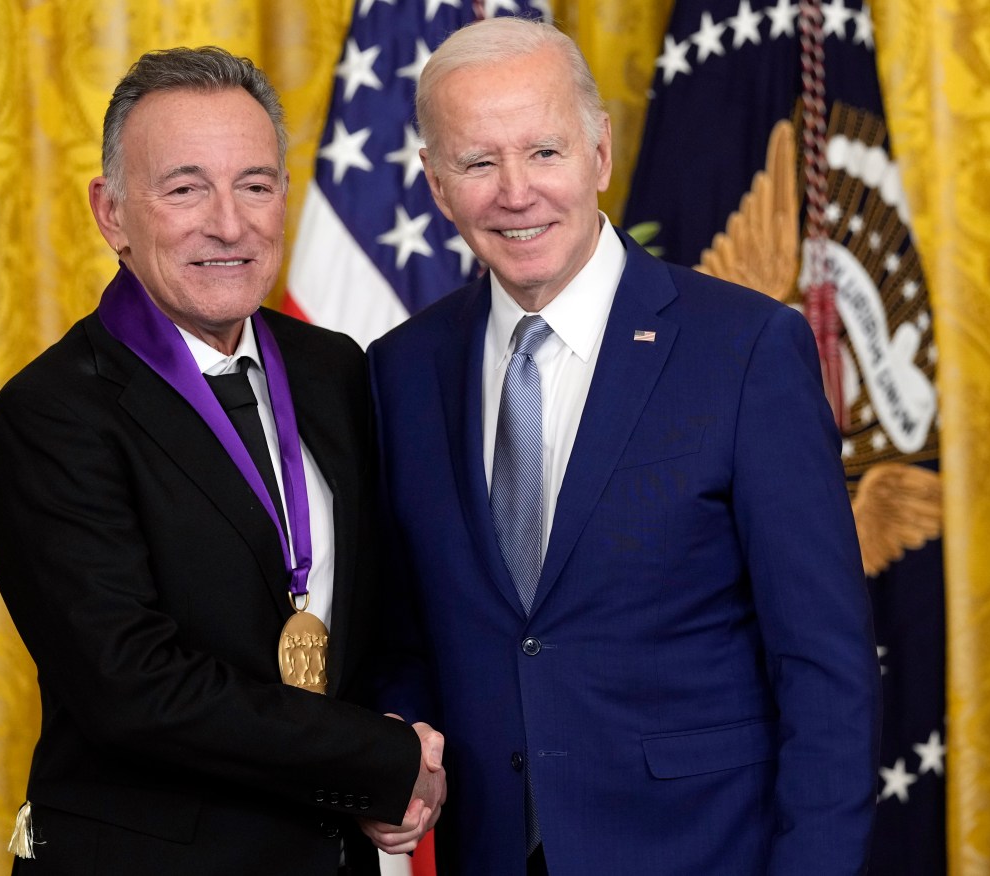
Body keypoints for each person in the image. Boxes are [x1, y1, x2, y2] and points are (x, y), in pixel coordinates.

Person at [367, 17, 881, 876]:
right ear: (435, 183)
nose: (514, 192)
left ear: (599, 155)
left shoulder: (746, 351)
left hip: (704, 851)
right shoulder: (401, 371)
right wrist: (390, 759)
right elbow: (408, 639)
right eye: (477, 162)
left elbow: (823, 667)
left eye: (543, 152)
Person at [0, 46, 444, 875]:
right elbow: (133, 688)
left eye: (256, 184)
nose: (229, 224)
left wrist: (402, 743)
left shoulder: (334, 368)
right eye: (186, 187)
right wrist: (378, 759)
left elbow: (387, 607)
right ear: (113, 213)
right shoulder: (51, 414)